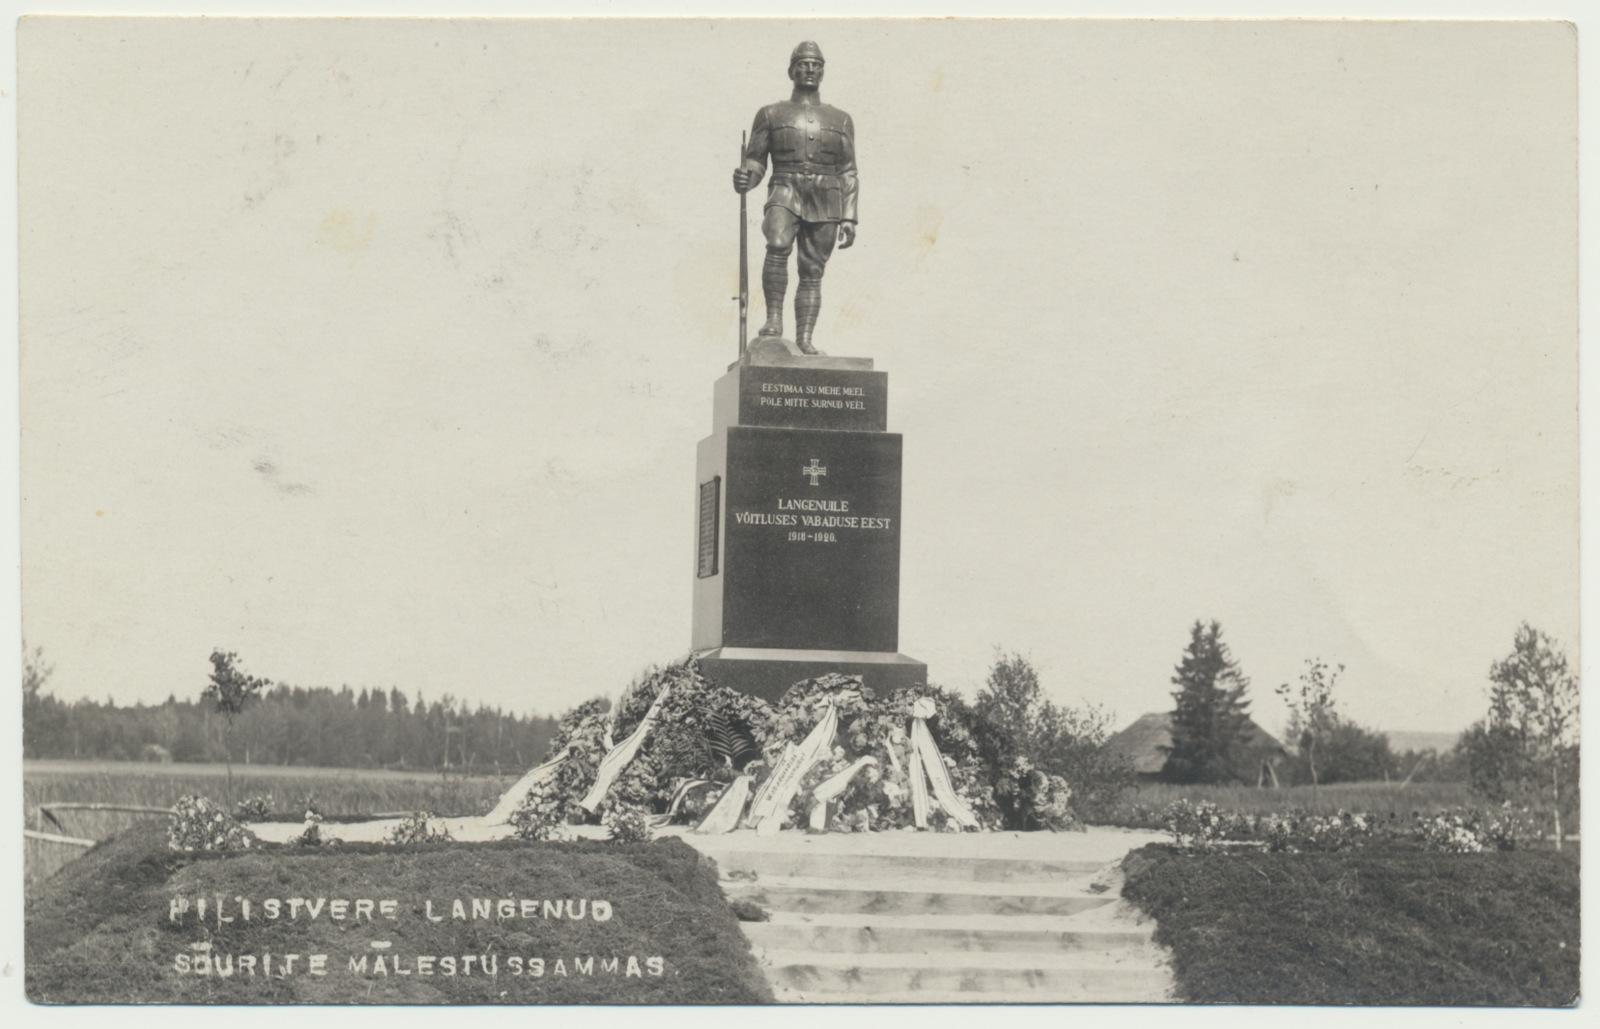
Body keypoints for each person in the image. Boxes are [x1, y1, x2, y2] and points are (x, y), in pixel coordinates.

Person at [732, 41, 857, 355]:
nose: (810, 69)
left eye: (816, 65)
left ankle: (804, 337)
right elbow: (757, 160)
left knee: (813, 270)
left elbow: (848, 170)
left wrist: (849, 215)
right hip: (785, 189)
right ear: (791, 70)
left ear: (823, 71)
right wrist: (747, 176)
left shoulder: (840, 119)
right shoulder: (771, 113)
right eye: (803, 64)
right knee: (776, 244)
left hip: (826, 197)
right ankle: (774, 320)